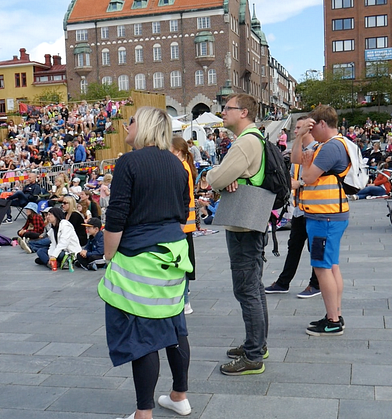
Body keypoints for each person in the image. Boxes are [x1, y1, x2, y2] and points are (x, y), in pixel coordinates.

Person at [97, 106, 193, 419]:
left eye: (132, 120)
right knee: (175, 325)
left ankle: (143, 413)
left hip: (141, 255)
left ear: (146, 126)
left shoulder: (129, 162)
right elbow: (182, 212)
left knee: (144, 337)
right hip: (174, 254)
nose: (127, 125)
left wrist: (109, 254)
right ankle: (179, 395)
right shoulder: (177, 165)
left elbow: (117, 215)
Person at [206, 93, 269, 375]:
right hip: (251, 219)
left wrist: (213, 175)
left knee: (246, 289)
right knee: (254, 286)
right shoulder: (257, 137)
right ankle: (257, 343)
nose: (223, 112)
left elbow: (216, 179)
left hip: (243, 221)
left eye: (227, 108)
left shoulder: (245, 142)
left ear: (243, 112)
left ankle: (254, 355)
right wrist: (225, 177)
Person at [295, 105, 351, 337]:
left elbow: (306, 177)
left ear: (321, 124)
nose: (310, 133)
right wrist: (299, 137)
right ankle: (334, 314)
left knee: (322, 267)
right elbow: (297, 158)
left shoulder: (330, 148)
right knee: (331, 266)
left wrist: (306, 168)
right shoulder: (330, 145)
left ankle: (333, 320)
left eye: (311, 127)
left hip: (325, 215)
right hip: (329, 214)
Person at [265, 116, 320, 298]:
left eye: (299, 128)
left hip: (315, 209)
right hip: (300, 209)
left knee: (315, 248)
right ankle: (283, 282)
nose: (295, 131)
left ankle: (316, 283)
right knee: (294, 245)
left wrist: (301, 183)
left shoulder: (318, 149)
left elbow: (317, 177)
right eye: (295, 128)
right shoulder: (298, 150)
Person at [171, 136, 198, 315]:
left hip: (182, 223)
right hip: (186, 223)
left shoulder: (181, 168)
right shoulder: (186, 166)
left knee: (181, 263)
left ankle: (185, 301)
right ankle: (184, 297)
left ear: (178, 152)